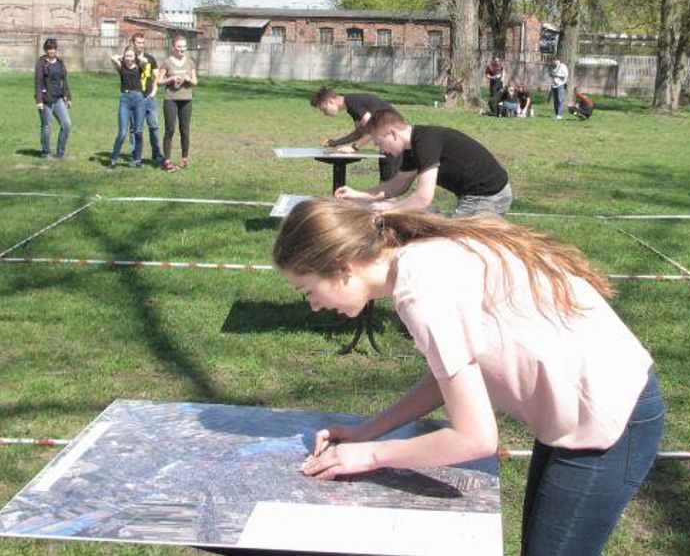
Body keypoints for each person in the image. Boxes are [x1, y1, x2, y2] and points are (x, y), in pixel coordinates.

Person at [274, 199, 663, 556]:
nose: (314, 305)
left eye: (308, 289)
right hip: (581, 414)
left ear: (343, 266)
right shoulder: (418, 262)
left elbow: (475, 438)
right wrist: (368, 430)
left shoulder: (421, 291)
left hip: (611, 420)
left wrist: (370, 455)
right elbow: (445, 378)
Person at [335, 108, 512, 217]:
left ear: (393, 134)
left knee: (455, 245)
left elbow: (423, 198)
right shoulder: (411, 148)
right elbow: (395, 186)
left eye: (379, 143)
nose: (381, 149)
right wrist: (356, 194)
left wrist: (389, 211)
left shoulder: (425, 142)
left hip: (488, 195)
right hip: (475, 194)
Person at [310, 86, 402, 181]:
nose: (325, 114)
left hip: (396, 141)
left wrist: (354, 147)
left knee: (388, 186)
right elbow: (360, 132)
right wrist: (336, 142)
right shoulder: (351, 105)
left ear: (331, 101)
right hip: (389, 143)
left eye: (324, 109)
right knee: (386, 183)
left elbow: (374, 129)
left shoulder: (353, 102)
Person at [155, 34, 197, 171]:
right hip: (171, 99)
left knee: (184, 130)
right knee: (170, 129)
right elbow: (159, 81)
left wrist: (188, 79)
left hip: (186, 100)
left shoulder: (190, 62)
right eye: (179, 47)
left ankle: (184, 158)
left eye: (184, 47)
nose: (182, 49)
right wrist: (171, 79)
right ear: (174, 47)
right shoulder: (167, 62)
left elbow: (195, 82)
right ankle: (167, 160)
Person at [129, 32, 165, 166]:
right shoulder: (129, 59)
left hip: (149, 98)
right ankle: (135, 156)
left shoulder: (151, 59)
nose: (141, 45)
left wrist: (154, 92)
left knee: (154, 127)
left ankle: (157, 155)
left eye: (142, 43)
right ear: (132, 43)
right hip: (135, 98)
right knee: (135, 129)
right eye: (138, 42)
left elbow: (157, 77)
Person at [108, 46, 148, 167]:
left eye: (131, 56)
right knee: (122, 133)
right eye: (127, 56)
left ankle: (137, 160)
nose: (129, 58)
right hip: (125, 100)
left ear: (134, 57)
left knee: (138, 132)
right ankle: (113, 159)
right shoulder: (121, 68)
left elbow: (145, 61)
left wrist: (137, 58)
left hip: (138, 99)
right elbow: (113, 58)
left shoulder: (139, 67)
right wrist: (122, 58)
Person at [34, 37, 71, 158]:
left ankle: (60, 152)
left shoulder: (60, 63)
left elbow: (64, 80)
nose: (51, 51)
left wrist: (68, 96)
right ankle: (46, 152)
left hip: (59, 99)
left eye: (53, 48)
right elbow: (38, 82)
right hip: (46, 100)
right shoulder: (41, 63)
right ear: (46, 50)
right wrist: (39, 100)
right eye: (49, 49)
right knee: (46, 126)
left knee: (66, 124)